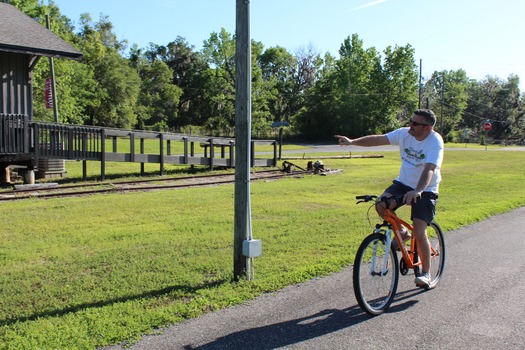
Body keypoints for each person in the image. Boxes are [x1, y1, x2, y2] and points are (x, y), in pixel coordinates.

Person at [335, 109, 444, 288]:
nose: (411, 125)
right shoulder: (404, 134)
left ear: (427, 128)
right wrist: (352, 142)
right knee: (380, 204)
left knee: (419, 229)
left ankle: (425, 273)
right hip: (403, 183)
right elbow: (378, 139)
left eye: (415, 123)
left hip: (426, 187)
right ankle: (402, 232)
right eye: (411, 121)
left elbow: (429, 169)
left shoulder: (435, 141)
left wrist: (418, 190)